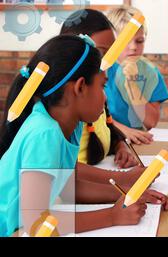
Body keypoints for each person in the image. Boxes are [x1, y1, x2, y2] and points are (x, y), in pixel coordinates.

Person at [0, 36, 148, 236]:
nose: (105, 97)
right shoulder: (44, 133)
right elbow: (35, 221)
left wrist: (126, 192)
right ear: (80, 87)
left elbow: (66, 185)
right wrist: (112, 216)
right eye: (102, 86)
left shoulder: (72, 125)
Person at [60, 9, 138, 168]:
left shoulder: (94, 91)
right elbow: (64, 170)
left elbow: (107, 127)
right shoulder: (58, 105)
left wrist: (120, 146)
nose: (108, 62)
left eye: (111, 53)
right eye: (101, 53)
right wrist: (121, 181)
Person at [106, 6, 168, 144]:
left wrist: (132, 85)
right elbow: (92, 119)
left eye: (139, 41)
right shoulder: (100, 71)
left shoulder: (150, 73)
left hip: (136, 142)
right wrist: (124, 130)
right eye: (125, 41)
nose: (134, 47)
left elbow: (151, 122)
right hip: (106, 138)